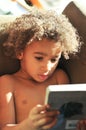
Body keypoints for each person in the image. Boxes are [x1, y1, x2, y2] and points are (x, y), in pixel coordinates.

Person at [0, 7, 83, 130]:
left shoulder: (59, 77)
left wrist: (78, 124)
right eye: (39, 58)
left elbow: (68, 119)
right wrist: (28, 125)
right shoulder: (8, 83)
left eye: (54, 59)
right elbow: (4, 127)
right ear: (20, 53)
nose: (48, 67)